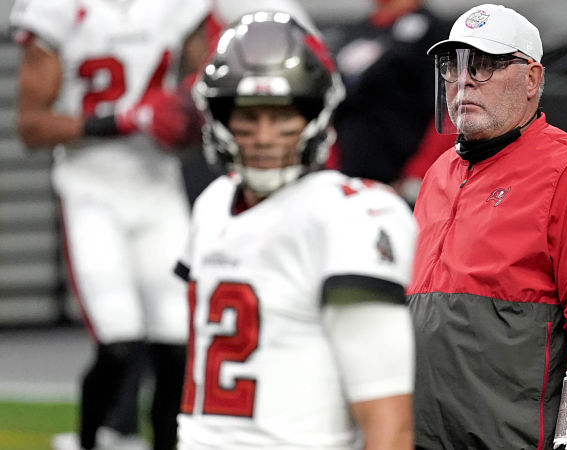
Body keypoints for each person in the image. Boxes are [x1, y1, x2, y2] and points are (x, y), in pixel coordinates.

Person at [176, 9, 416, 450]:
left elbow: (389, 421)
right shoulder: (213, 204)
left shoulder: (350, 214)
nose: (264, 136)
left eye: (283, 115)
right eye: (247, 116)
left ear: (318, 114)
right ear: (216, 115)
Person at [407, 4, 567, 450]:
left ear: (531, 79)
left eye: (484, 65)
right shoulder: (438, 173)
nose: (463, 79)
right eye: (454, 65)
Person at [10, 0, 212, 448]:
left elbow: (205, 83)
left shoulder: (178, 8)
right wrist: (122, 119)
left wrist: (191, 114)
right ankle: (88, 440)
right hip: (91, 190)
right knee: (119, 340)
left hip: (158, 187)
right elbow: (31, 126)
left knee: (178, 343)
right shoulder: (57, 10)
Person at [325, 0, 451, 205]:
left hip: (402, 187)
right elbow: (332, 107)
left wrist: (417, 175)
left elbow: (449, 109)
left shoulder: (437, 32)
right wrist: (330, 169)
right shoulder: (352, 33)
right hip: (349, 181)